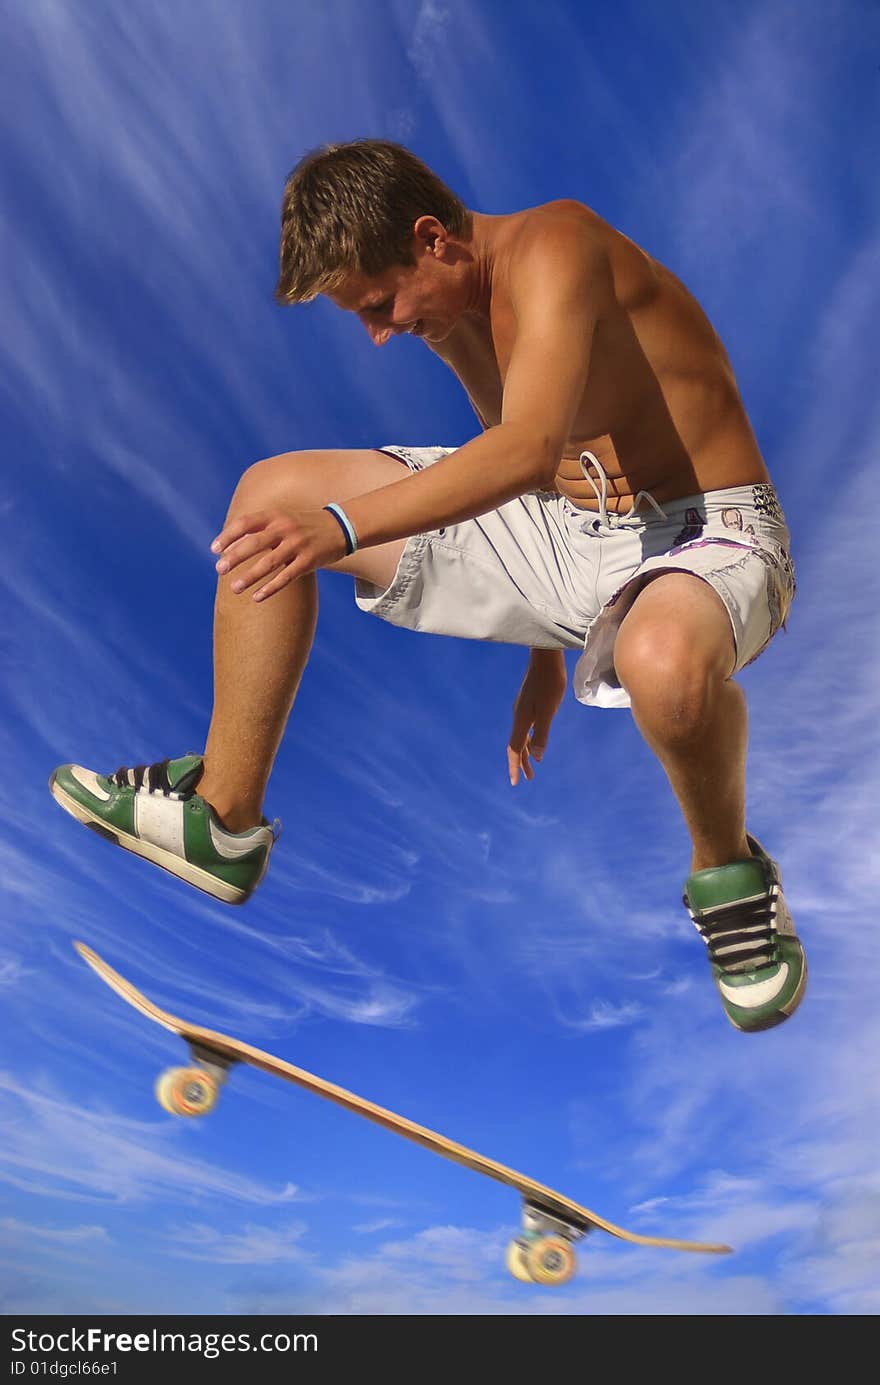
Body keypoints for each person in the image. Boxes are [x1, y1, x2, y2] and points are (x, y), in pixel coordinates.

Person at [50, 140, 805, 1033]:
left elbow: (523, 447)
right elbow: (533, 482)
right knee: (269, 497)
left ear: (433, 239)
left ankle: (729, 876)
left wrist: (339, 528)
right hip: (574, 533)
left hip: (710, 527)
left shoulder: (560, 244)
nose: (377, 333)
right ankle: (224, 815)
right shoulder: (451, 317)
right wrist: (546, 660)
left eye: (378, 304)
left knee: (661, 666)